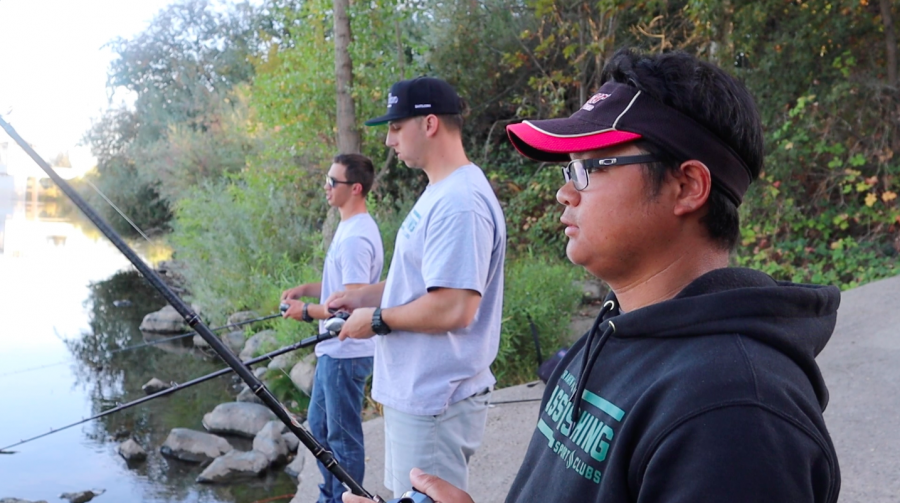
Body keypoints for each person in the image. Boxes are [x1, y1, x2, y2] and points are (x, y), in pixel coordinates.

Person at [344, 48, 841, 503]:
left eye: (592, 166)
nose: (565, 193)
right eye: (568, 169)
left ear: (687, 186)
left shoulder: (734, 417)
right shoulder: (613, 331)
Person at [326, 76, 507, 498]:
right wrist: (365, 295)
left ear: (428, 125)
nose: (389, 140)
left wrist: (375, 319)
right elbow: (427, 282)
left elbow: (453, 307)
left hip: (435, 401)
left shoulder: (460, 201)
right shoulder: (439, 191)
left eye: (395, 126)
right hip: (418, 398)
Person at [281, 153, 384, 503]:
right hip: (333, 352)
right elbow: (343, 289)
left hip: (346, 352)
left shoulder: (356, 237)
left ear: (355, 188)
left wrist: (307, 311)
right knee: (320, 431)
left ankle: (346, 499)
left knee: (342, 439)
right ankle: (329, 496)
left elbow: (352, 303)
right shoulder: (348, 226)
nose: (326, 186)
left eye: (332, 182)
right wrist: (308, 290)